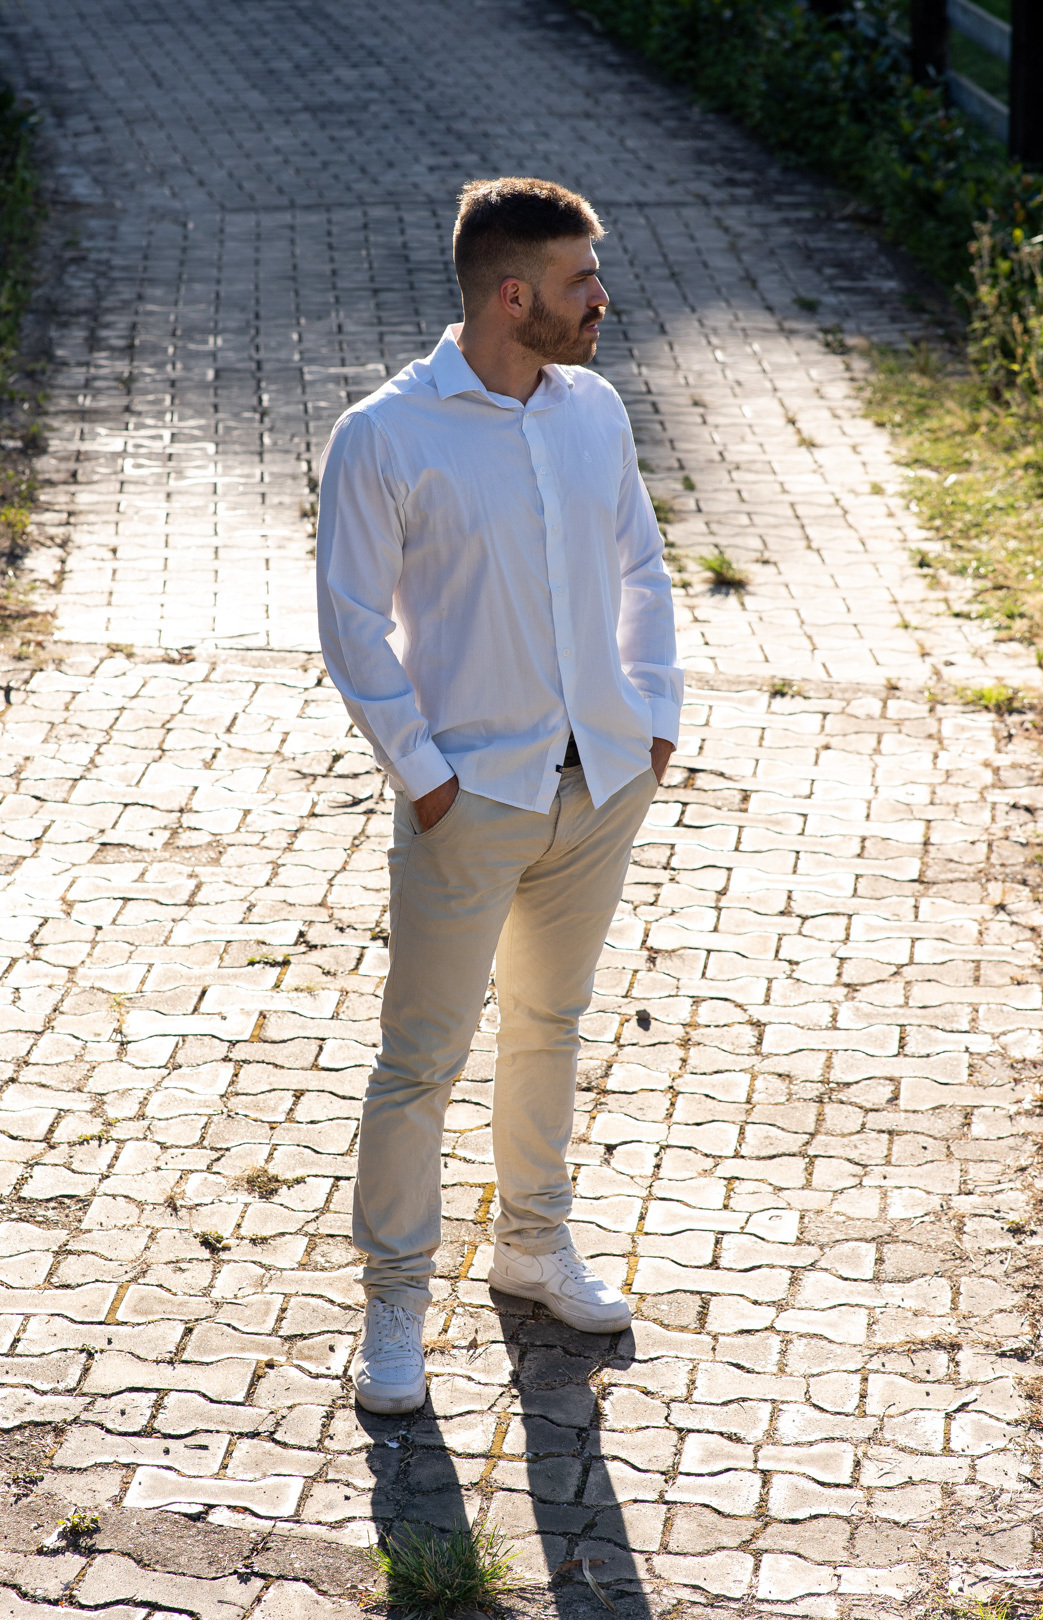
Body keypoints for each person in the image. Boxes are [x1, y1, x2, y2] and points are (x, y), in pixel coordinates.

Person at [316, 176, 682, 1414]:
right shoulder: (386, 434)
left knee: (550, 1025)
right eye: (584, 280)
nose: (603, 299)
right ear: (514, 296)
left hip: (600, 786)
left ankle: (533, 1243)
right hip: (469, 801)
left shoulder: (595, 411)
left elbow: (641, 566)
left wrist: (654, 720)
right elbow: (352, 626)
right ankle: (395, 1304)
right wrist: (427, 783)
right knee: (420, 1061)